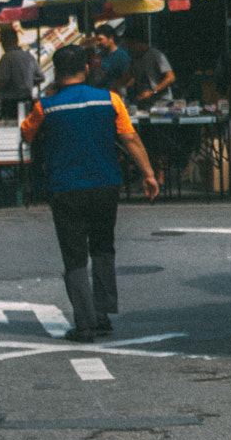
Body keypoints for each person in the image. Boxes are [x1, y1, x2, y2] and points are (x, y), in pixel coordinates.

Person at [21, 43, 160, 342]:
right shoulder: (111, 100)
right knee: (102, 248)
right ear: (86, 69)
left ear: (55, 73)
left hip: (65, 188)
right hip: (105, 185)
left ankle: (84, 326)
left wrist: (47, 97)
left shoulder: (45, 108)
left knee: (74, 258)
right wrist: (148, 174)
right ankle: (103, 313)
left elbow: (26, 133)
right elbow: (130, 139)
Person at [0, 27, 40, 120]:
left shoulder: (6, 58)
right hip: (27, 101)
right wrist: (27, 84)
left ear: (4, 41)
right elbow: (40, 77)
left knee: (11, 130)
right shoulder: (28, 56)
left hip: (10, 105)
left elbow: (3, 83)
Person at [123, 34, 176, 106]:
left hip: (162, 101)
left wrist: (152, 92)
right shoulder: (135, 58)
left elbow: (171, 77)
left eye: (130, 45)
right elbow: (130, 77)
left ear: (138, 43)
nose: (129, 48)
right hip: (145, 102)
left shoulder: (156, 55)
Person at [87, 26, 130, 92]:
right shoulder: (99, 56)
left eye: (100, 40)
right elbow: (93, 72)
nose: (98, 43)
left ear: (111, 38)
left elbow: (128, 79)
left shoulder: (122, 57)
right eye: (96, 40)